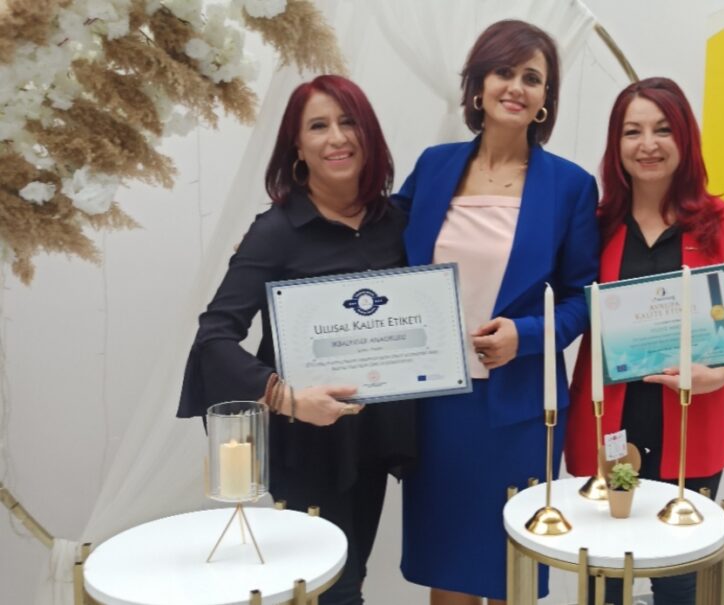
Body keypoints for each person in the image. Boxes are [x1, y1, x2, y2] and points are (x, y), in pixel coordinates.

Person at [177, 75, 415, 605]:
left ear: (369, 133)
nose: (337, 138)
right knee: (333, 592)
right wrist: (287, 398)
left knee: (352, 576)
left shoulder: (395, 222)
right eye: (318, 126)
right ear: (297, 148)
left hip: (373, 439)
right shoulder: (276, 231)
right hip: (307, 444)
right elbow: (214, 336)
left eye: (348, 122)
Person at [395, 19, 599, 605]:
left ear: (545, 99)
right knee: (449, 569)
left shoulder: (570, 186)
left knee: (513, 572)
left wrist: (526, 335)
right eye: (504, 72)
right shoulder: (434, 166)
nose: (516, 86)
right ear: (478, 86)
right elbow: (376, 246)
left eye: (532, 78)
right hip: (437, 405)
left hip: (518, 410)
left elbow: (584, 298)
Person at [565, 77, 724, 605]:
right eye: (632, 131)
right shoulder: (595, 225)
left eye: (662, 130)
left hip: (690, 424)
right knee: (605, 575)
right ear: (616, 144)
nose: (647, 145)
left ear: (685, 138)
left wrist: (721, 372)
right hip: (610, 425)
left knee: (680, 580)